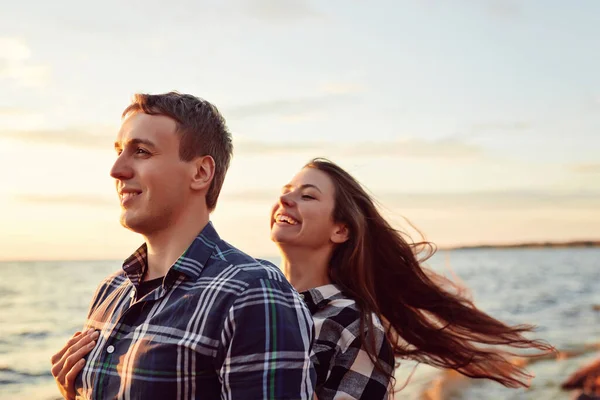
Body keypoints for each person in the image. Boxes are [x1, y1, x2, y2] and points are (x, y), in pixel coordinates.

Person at [50, 92, 315, 400]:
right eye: (120, 151)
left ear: (200, 173)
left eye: (142, 152)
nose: (117, 170)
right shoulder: (111, 290)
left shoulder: (252, 291)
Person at [270, 158, 555, 400]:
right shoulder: (253, 298)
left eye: (307, 196)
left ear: (341, 231)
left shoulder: (355, 325)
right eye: (286, 191)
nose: (284, 200)